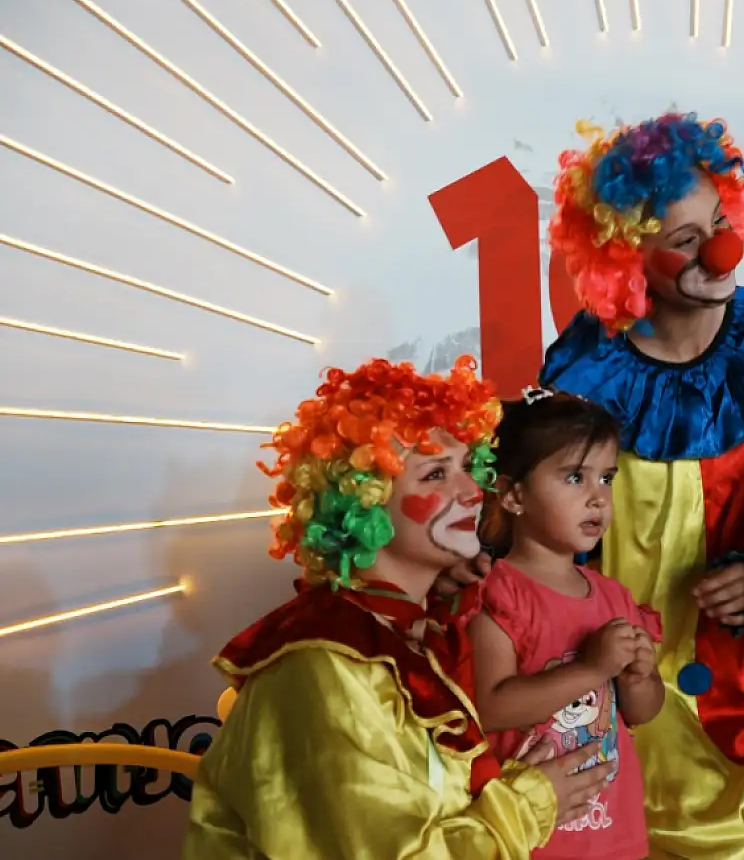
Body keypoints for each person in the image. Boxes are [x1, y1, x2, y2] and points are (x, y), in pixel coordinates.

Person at [535, 113, 744, 860]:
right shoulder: (579, 376)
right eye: (685, 241)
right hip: (610, 701)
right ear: (625, 259)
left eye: (721, 223)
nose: (721, 250)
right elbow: (545, 541)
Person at [184, 357, 609, 859]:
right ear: (365, 504)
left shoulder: (415, 632)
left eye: (467, 468)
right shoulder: (325, 666)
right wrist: (531, 803)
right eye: (435, 474)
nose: (473, 490)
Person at [469, 389, 666, 859]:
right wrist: (592, 669)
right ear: (515, 495)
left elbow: (642, 711)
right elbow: (490, 707)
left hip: (615, 834)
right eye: (575, 478)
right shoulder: (500, 593)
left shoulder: (613, 595)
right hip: (537, 837)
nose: (597, 497)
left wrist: (639, 676)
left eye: (606, 478)